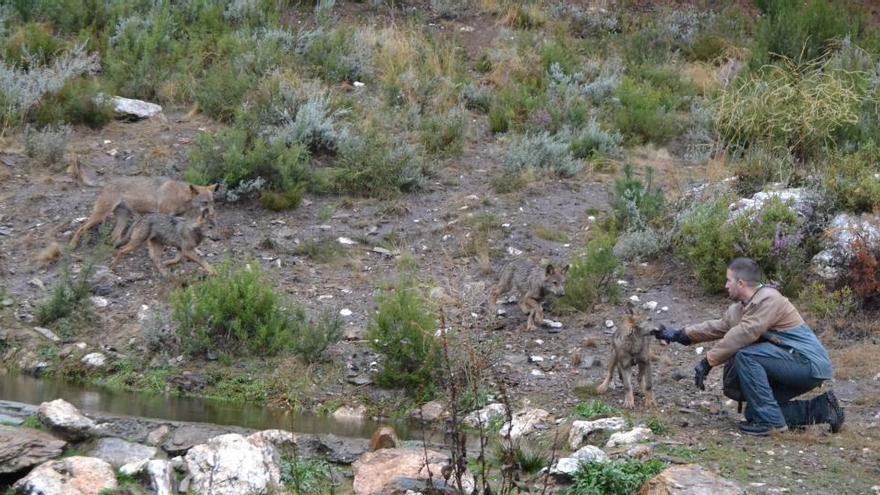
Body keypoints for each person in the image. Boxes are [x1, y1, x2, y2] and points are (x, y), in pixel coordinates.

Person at [652, 257, 844, 436]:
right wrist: (678, 335)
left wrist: (708, 361)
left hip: (807, 363)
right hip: (790, 362)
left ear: (741, 283)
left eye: (729, 280)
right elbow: (717, 327)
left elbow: (745, 332)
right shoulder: (742, 307)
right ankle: (824, 408)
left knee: (746, 356)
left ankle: (773, 425)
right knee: (756, 411)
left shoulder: (770, 299)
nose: (726, 285)